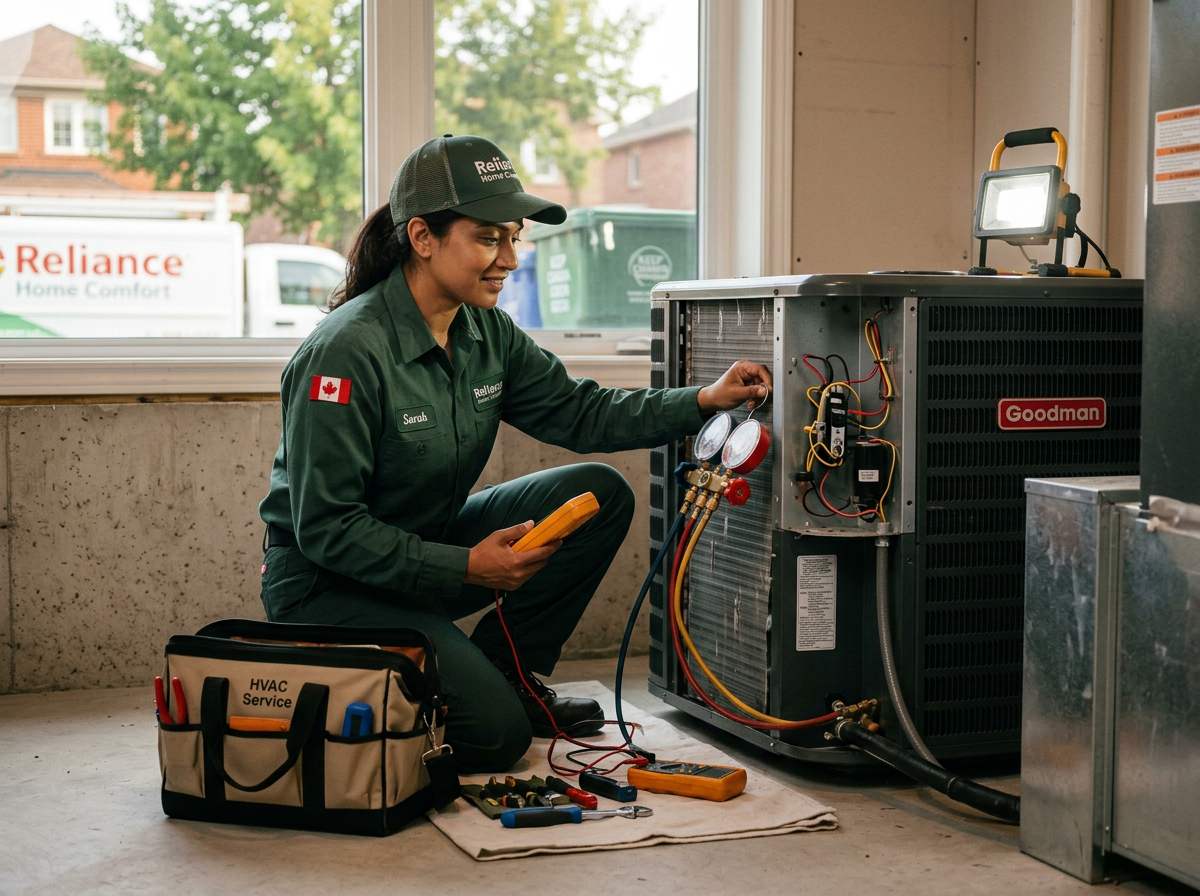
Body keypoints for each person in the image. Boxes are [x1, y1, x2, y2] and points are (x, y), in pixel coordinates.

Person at [258, 134, 771, 773]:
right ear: (421, 237)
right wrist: (465, 568)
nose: (509, 258)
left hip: (426, 551)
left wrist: (704, 400)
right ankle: (470, 697)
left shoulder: (485, 331)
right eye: (487, 238)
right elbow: (327, 529)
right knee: (497, 741)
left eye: (513, 237)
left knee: (598, 493)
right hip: (329, 585)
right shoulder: (345, 351)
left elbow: (582, 411)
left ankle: (509, 674)